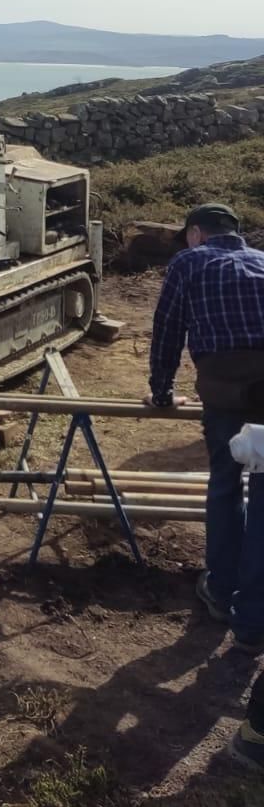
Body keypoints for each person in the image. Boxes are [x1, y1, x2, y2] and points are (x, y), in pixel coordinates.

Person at [149, 202, 264, 650]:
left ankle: (220, 589)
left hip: (227, 393)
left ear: (195, 233)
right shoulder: (262, 261)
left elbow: (167, 331)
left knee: (226, 481)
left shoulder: (188, 262)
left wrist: (161, 393)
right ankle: (254, 613)